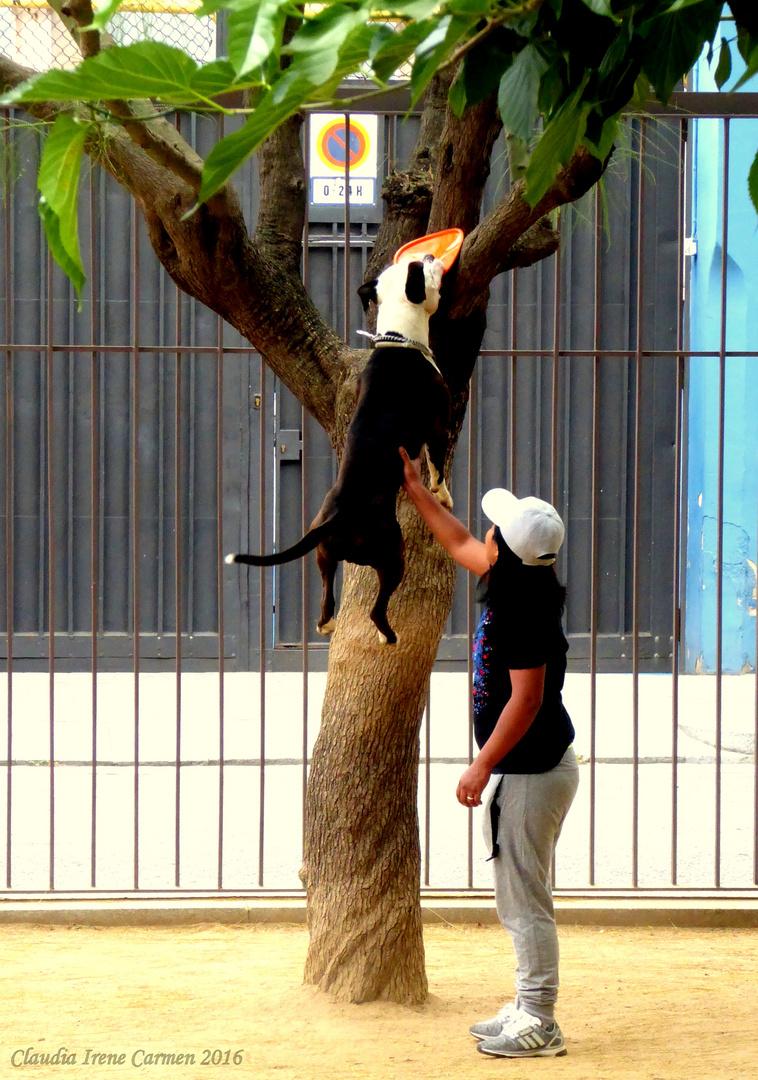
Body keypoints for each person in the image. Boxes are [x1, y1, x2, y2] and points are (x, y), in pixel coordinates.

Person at [400, 447, 579, 1059]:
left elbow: (525, 701)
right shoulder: (518, 580)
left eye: (495, 530)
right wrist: (420, 493)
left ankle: (540, 1018)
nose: (487, 534)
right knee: (519, 896)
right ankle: (528, 1003)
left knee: (525, 901)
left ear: (506, 548)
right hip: (526, 768)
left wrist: (481, 764)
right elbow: (458, 544)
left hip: (530, 772)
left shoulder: (521, 612)